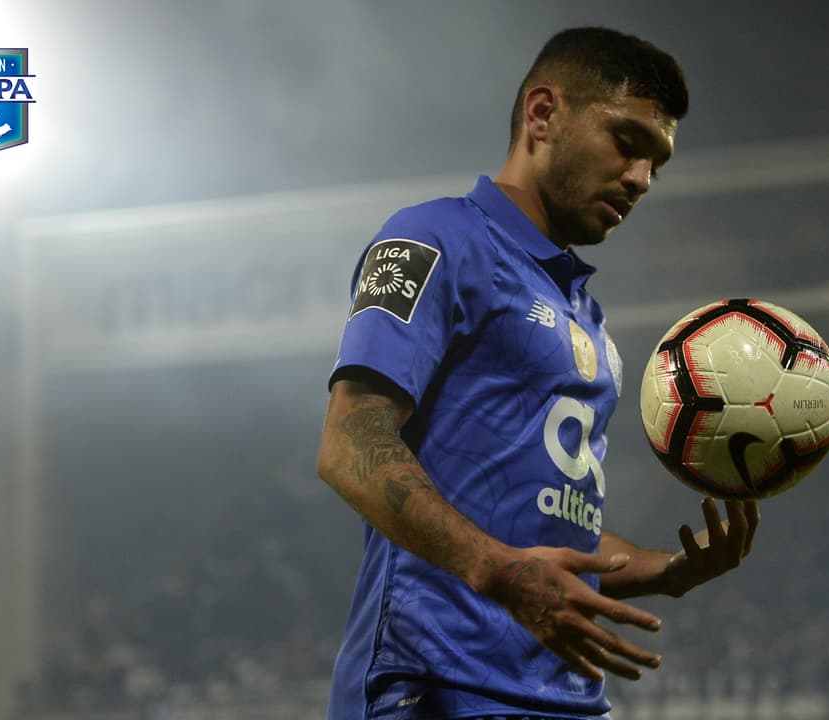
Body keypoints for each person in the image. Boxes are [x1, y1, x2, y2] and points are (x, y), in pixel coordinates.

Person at [316, 26, 760, 720]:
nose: (641, 179)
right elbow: (349, 443)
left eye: (657, 163)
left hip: (566, 696)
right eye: (627, 142)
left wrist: (668, 571)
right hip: (438, 683)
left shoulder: (590, 321)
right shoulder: (431, 239)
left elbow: (550, 528)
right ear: (543, 114)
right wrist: (496, 570)